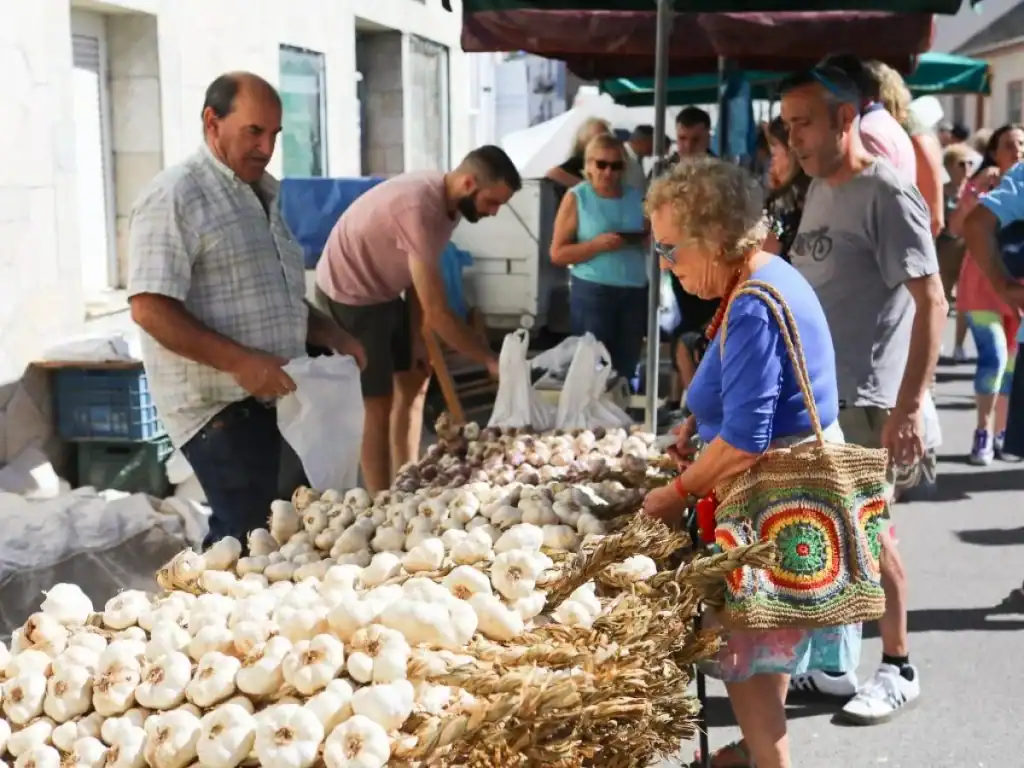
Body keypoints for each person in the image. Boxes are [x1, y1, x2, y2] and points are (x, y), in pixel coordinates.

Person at [641, 157, 858, 768]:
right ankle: (753, 753)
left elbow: (745, 441)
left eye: (670, 249)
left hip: (770, 510)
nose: (666, 264)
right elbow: (753, 398)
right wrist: (694, 424)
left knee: (751, 672)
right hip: (782, 503)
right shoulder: (766, 275)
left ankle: (764, 759)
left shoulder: (753, 304)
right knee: (763, 669)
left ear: (712, 238)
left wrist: (675, 492)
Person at [127, 72, 366, 548]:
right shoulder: (176, 195)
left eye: (274, 134)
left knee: (279, 533)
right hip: (217, 406)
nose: (266, 146)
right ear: (211, 122)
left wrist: (330, 332)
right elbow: (150, 308)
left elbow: (274, 294)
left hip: (272, 397)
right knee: (242, 538)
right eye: (254, 131)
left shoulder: (265, 193)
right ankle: (197, 617)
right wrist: (240, 362)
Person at [780, 65, 947, 725]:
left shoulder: (886, 192)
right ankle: (834, 667)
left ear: (846, 118)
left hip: (869, 398)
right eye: (788, 123)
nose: (792, 137)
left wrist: (908, 405)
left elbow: (930, 299)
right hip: (819, 394)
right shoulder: (821, 185)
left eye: (804, 122)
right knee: (836, 536)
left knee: (872, 535)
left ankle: (898, 666)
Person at [315, 146, 519, 492]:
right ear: (469, 182)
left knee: (414, 380)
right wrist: (487, 358)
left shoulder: (449, 208)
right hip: (350, 294)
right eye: (492, 202)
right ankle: (381, 502)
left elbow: (417, 281)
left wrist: (416, 340)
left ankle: (404, 481)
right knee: (376, 404)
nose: (494, 212)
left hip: (385, 290)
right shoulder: (419, 207)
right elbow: (439, 313)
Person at [948, 124, 1024, 463]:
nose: (1018, 150)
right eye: (1009, 145)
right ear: (995, 151)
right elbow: (962, 227)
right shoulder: (986, 185)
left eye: (1022, 143)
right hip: (982, 287)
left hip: (1014, 291)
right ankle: (983, 430)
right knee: (993, 358)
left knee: (1008, 366)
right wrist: (975, 188)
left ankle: (1000, 432)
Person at [550, 134, 648, 386]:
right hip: (594, 291)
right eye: (601, 164)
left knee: (627, 366)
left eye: (616, 166)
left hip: (634, 291)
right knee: (591, 366)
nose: (608, 172)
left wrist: (646, 239)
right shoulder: (577, 197)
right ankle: (591, 422)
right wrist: (596, 246)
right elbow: (557, 253)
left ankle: (621, 422)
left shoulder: (635, 197)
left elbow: (651, 239)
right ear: (588, 166)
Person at [763, 117, 811, 262]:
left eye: (774, 155)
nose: (771, 163)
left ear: (791, 153)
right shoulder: (816, 189)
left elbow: (769, 251)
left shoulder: (782, 202)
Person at [545, 117, 612, 193]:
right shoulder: (579, 160)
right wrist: (588, 188)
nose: (602, 143)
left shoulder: (610, 162)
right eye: (597, 139)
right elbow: (553, 173)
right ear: (584, 141)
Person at [623, 124, 654, 191]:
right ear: (643, 140)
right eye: (652, 142)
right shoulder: (622, 157)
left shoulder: (638, 159)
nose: (654, 147)